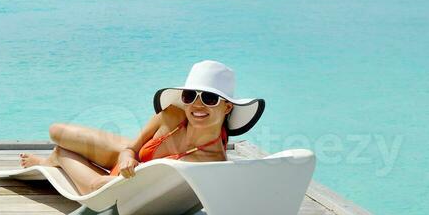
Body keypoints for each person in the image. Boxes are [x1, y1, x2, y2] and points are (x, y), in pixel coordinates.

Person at [18, 60, 266, 194]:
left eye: (210, 99)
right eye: (191, 96)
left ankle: (55, 160)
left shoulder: (212, 161)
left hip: (128, 187)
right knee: (57, 131)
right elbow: (131, 148)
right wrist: (127, 157)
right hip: (128, 160)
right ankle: (54, 161)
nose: (197, 105)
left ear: (227, 107)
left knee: (87, 179)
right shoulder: (172, 115)